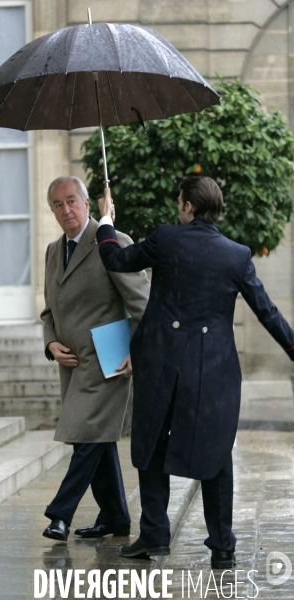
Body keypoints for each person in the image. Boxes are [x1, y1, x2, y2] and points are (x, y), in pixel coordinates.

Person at [96, 176, 294, 568]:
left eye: (178, 199)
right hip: (213, 369)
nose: (177, 205)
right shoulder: (237, 254)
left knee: (150, 445)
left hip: (161, 364)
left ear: (188, 205)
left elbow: (117, 260)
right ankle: (222, 545)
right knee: (216, 454)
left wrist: (105, 222)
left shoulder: (166, 239)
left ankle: (154, 536)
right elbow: (266, 311)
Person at [40, 176, 150, 542]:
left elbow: (141, 303)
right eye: (58, 204)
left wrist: (140, 348)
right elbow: (48, 312)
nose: (66, 209)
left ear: (88, 204)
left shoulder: (113, 242)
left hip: (111, 355)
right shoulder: (53, 252)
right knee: (95, 440)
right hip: (72, 364)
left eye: (72, 200)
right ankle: (116, 518)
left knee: (87, 439)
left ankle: (60, 515)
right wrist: (51, 342)